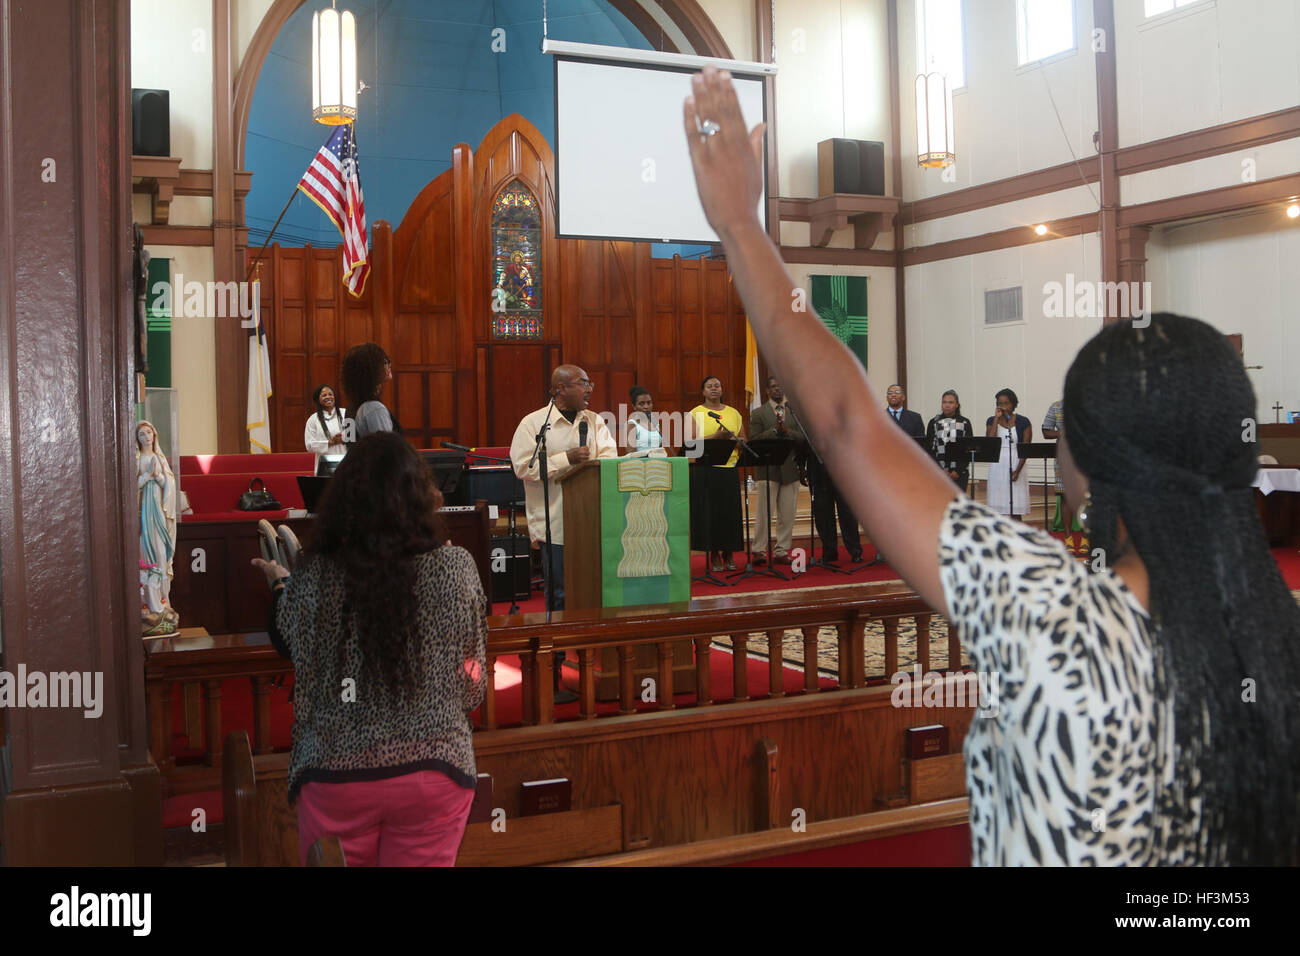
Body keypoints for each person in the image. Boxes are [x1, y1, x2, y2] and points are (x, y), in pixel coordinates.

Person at [682, 66, 1298, 865]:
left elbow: (844, 423)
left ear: (1084, 468)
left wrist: (740, 226)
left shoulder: (1054, 619)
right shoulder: (1281, 634)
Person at [250, 433, 487, 866]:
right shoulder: (456, 567)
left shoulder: (315, 573)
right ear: (421, 497)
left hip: (335, 771)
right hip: (434, 769)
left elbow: (288, 641)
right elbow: (472, 688)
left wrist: (281, 584)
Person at [509, 364, 618, 613]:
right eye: (583, 383)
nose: (589, 389)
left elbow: (609, 461)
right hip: (554, 524)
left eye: (590, 384)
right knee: (560, 592)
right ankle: (558, 648)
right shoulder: (533, 424)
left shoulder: (595, 421)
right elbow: (523, 467)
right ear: (561, 388)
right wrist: (566, 458)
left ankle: (589, 646)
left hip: (592, 521)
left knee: (595, 588)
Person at [686, 375, 745, 572]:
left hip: (728, 469)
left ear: (722, 390)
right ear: (703, 392)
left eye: (717, 385)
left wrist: (738, 441)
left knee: (729, 514)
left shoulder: (734, 413)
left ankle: (728, 553)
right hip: (705, 471)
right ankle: (713, 555)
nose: (714, 388)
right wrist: (717, 437)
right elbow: (691, 444)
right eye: (709, 386)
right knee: (710, 515)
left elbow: (744, 439)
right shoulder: (695, 413)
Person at [749, 376, 805, 565]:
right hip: (768, 469)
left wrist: (788, 432)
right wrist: (774, 430)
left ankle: (782, 550)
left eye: (780, 387)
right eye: (773, 387)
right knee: (764, 513)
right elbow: (754, 440)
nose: (778, 390)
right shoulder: (758, 413)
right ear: (767, 391)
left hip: (790, 469)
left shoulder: (794, 411)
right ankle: (759, 551)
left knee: (787, 514)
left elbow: (803, 438)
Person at [137, 420, 178, 635]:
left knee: (162, 554)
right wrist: (147, 477)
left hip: (159, 512)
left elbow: (169, 486)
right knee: (147, 555)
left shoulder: (160, 458)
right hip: (143, 511)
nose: (146, 436)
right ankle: (149, 604)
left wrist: (160, 477)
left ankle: (163, 602)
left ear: (154, 435)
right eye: (142, 433)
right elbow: (132, 485)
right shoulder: (138, 459)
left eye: (149, 432)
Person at [1041, 398, 1083, 554]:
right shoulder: (1056, 407)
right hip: (1064, 458)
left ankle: (1085, 537)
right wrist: (1063, 432)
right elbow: (1046, 431)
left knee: (1086, 497)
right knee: (1065, 497)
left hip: (1086, 457)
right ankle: (1068, 538)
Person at [984, 388, 1032, 519]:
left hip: (1016, 463)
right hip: (998, 465)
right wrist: (996, 419)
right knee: (998, 508)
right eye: (1000, 403)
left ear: (1013, 404)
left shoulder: (1023, 422)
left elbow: (1025, 449)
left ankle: (1017, 536)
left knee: (1015, 507)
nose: (1003, 406)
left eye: (1006, 403)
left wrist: (1017, 471)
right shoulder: (991, 420)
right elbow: (990, 442)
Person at [342, 342, 398, 438]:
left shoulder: (350, 408)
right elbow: (387, 449)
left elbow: (348, 441)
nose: (389, 365)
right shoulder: (374, 408)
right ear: (369, 370)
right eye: (384, 362)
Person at [926, 390, 974, 491]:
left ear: (957, 405)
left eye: (951, 402)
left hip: (960, 473)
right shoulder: (934, 422)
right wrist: (941, 470)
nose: (947, 405)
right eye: (944, 402)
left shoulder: (964, 422)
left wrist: (957, 471)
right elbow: (930, 449)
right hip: (939, 473)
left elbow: (968, 449)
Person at [304, 383, 348, 475]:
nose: (328, 397)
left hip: (346, 462)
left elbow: (354, 437)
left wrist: (343, 439)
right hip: (324, 466)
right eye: (324, 395)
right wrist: (330, 442)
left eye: (330, 394)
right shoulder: (313, 419)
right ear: (318, 399)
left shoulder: (347, 413)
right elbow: (309, 445)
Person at [626, 385, 665, 453]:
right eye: (641, 404)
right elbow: (631, 455)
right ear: (634, 407)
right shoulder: (632, 424)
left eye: (649, 403)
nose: (646, 406)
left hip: (657, 462)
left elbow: (660, 449)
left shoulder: (655, 423)